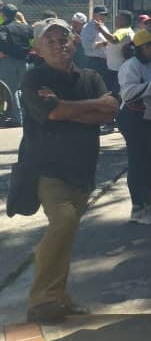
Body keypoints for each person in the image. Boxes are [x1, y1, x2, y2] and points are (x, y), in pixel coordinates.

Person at [19, 18, 118, 322]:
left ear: (74, 42)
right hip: (47, 169)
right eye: (50, 40)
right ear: (37, 48)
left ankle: (59, 296)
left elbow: (111, 110)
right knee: (62, 221)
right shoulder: (33, 80)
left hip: (83, 167)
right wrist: (86, 108)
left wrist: (64, 110)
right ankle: (41, 300)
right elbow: (55, 112)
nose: (58, 44)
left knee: (68, 232)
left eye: (63, 38)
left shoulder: (89, 76)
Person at [117, 28, 151, 226]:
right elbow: (128, 94)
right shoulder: (131, 66)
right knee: (139, 162)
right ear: (146, 47)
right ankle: (138, 208)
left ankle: (148, 204)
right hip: (134, 119)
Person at [0, 3, 33, 125]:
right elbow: (32, 38)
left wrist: (4, 52)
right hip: (24, 61)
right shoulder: (25, 27)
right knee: (22, 89)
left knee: (10, 90)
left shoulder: (4, 27)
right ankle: (27, 115)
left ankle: (17, 118)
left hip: (9, 61)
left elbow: (2, 41)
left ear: (3, 14)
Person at [79, 5, 114, 88]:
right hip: (94, 62)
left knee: (103, 86)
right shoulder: (88, 27)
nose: (103, 17)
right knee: (94, 86)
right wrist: (103, 43)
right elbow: (86, 45)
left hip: (104, 61)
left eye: (105, 15)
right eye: (101, 14)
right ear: (94, 15)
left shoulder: (103, 27)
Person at [105, 9, 135, 98]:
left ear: (124, 20)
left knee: (114, 96)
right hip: (121, 69)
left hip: (116, 70)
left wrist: (100, 29)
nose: (116, 19)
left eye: (118, 18)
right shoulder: (128, 31)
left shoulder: (122, 31)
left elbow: (114, 40)